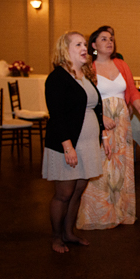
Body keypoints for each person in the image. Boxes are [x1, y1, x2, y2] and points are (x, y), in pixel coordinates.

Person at [42, 32, 110, 253]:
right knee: (64, 193)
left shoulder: (85, 74)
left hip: (88, 143)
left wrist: (104, 136)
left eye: (84, 44)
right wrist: (67, 146)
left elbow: (95, 108)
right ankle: (56, 237)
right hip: (68, 143)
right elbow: (57, 114)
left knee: (79, 189)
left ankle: (69, 233)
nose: (84, 48)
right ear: (65, 49)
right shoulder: (58, 77)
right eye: (78, 44)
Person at [77, 26, 140, 230]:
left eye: (111, 39)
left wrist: (139, 106)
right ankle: (98, 214)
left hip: (122, 123)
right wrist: (101, 117)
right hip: (98, 121)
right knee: (100, 166)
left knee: (120, 166)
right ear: (93, 45)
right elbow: (85, 99)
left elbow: (132, 90)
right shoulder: (87, 67)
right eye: (103, 39)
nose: (109, 42)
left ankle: (121, 212)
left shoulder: (120, 64)